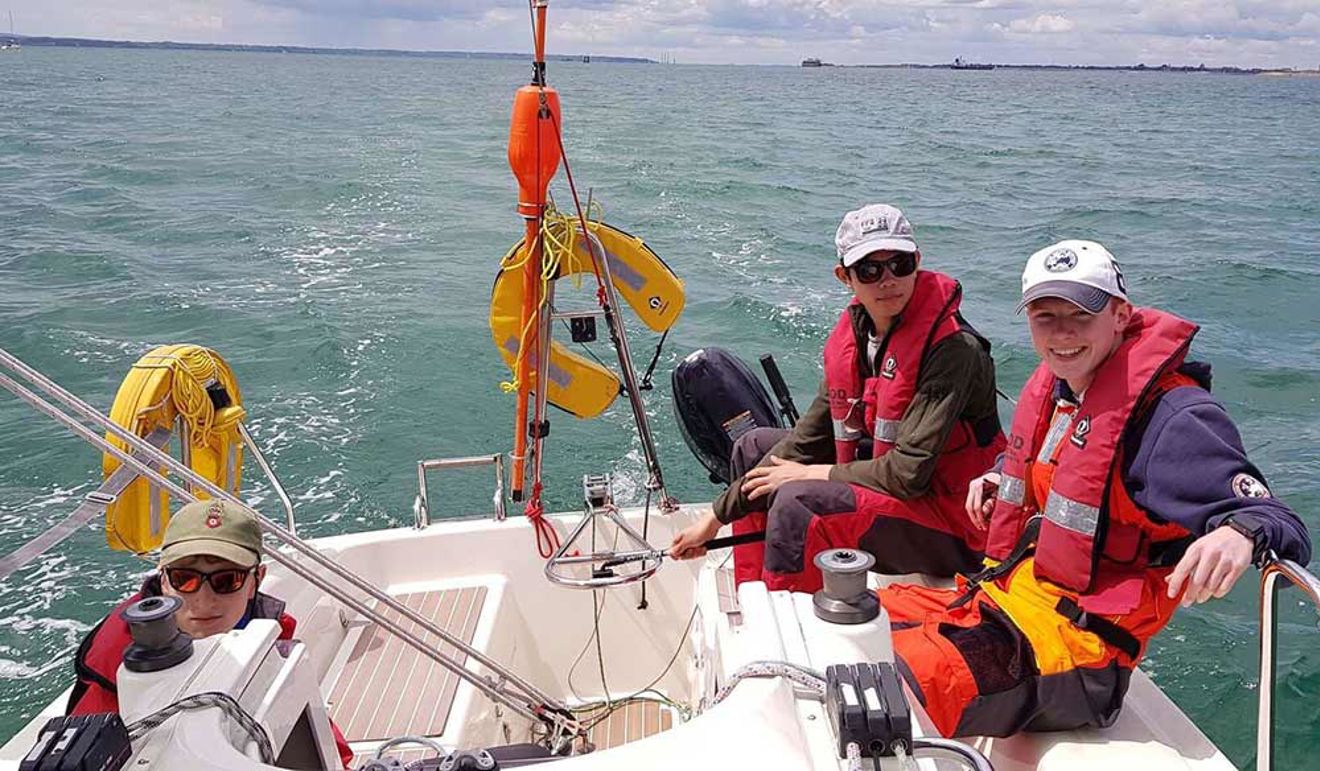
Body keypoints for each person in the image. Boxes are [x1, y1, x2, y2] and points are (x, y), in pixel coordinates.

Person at [880, 239, 1312, 738]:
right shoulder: (1067, 388)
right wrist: (1001, 473)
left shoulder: (1173, 420)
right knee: (854, 624)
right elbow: (1069, 467)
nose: (1062, 333)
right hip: (1008, 600)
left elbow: (1279, 520)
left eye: (1081, 315)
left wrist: (1240, 533)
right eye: (1045, 317)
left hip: (1079, 652)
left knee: (894, 686)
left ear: (1121, 315)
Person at [670, 203, 1006, 591]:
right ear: (844, 276)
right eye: (869, 270)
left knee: (799, 499)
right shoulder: (860, 337)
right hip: (905, 496)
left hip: (958, 524)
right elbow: (804, 442)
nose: (887, 280)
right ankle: (754, 593)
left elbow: (907, 475)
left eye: (899, 265)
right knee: (753, 447)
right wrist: (714, 518)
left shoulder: (954, 349)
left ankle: (786, 616)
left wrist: (809, 474)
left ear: (917, 261)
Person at [67, 499, 356, 768]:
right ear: (163, 580)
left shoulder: (265, 635)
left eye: (227, 580)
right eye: (184, 579)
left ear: (256, 580)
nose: (204, 601)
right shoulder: (117, 676)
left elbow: (328, 746)